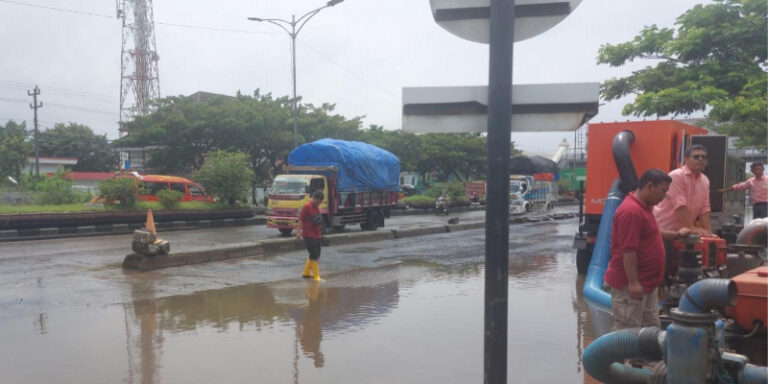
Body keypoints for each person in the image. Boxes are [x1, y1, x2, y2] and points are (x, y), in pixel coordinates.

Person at [605, 169, 692, 330]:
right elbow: (628, 250)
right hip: (630, 287)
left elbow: (653, 233)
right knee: (629, 334)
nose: (665, 195)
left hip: (647, 284)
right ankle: (626, 356)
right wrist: (633, 282)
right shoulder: (631, 211)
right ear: (650, 186)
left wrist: (678, 235)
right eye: (663, 191)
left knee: (650, 332)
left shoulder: (645, 207)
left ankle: (643, 356)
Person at [653, 145, 713, 235]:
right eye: (696, 156)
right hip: (663, 231)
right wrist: (691, 228)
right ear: (685, 159)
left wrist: (709, 233)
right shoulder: (676, 176)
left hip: (684, 232)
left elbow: (705, 208)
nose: (701, 159)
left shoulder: (705, 181)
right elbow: (680, 204)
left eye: (703, 157)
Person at [298, 191, 324, 281]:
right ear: (315, 199)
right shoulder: (307, 207)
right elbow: (301, 219)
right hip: (308, 234)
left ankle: (306, 272)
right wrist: (298, 232)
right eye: (319, 201)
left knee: (317, 254)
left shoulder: (316, 207)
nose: (319, 204)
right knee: (314, 254)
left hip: (316, 234)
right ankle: (316, 276)